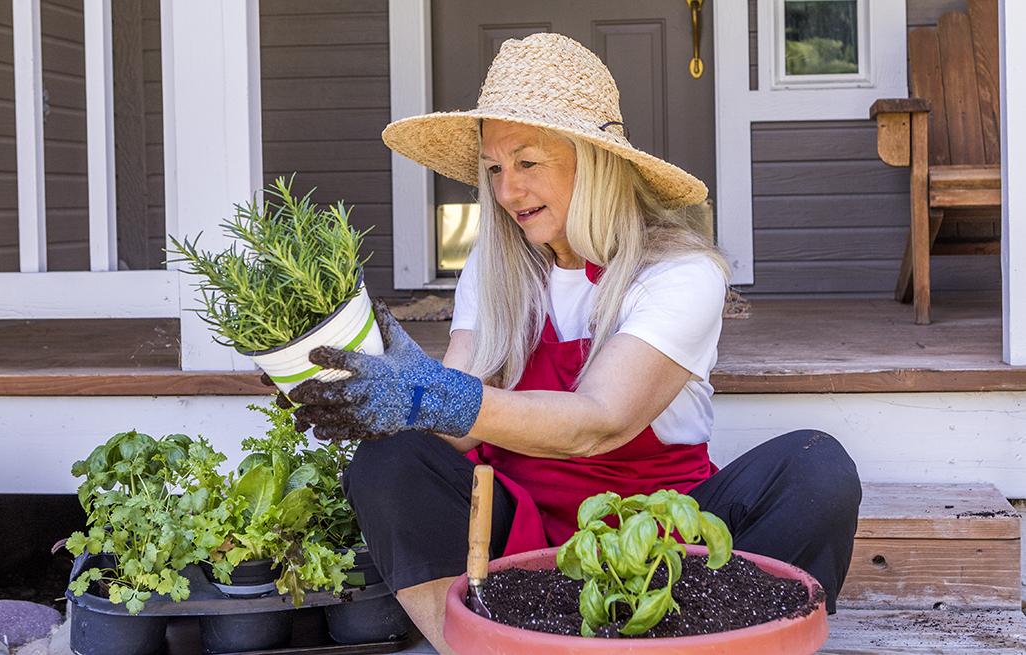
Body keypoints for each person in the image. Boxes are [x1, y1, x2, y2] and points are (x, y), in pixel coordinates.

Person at [288, 33, 861, 654]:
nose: (508, 193)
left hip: (667, 543)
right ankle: (476, 645)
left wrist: (436, 396)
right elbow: (459, 433)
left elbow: (601, 422)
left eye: (528, 163)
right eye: (495, 170)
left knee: (815, 466)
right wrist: (373, 382)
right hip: (518, 545)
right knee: (390, 463)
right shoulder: (495, 266)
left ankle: (708, 643)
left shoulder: (680, 271)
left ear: (596, 161)